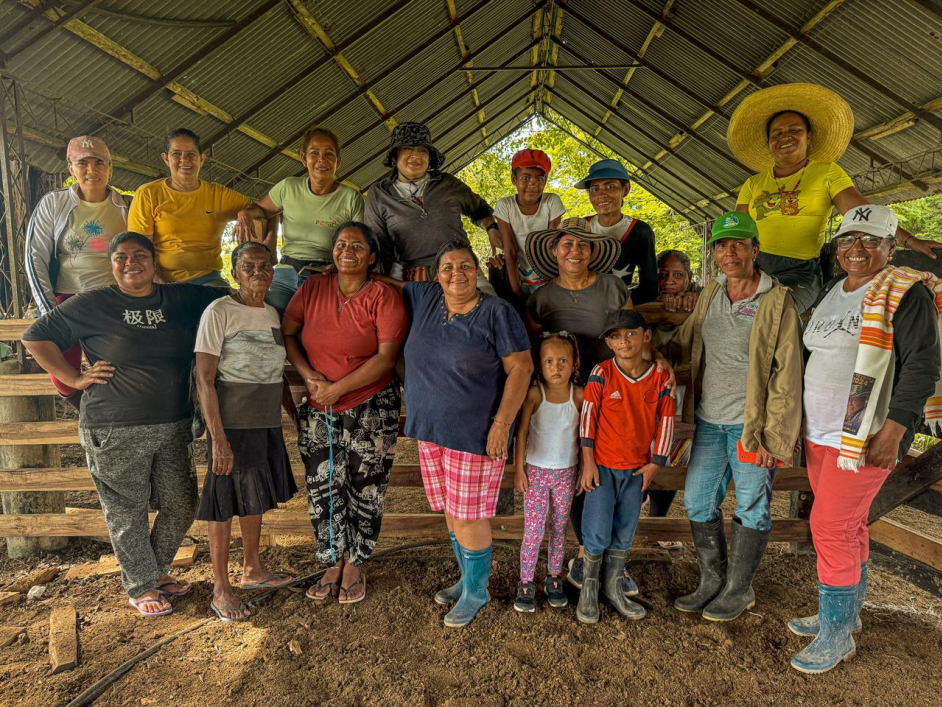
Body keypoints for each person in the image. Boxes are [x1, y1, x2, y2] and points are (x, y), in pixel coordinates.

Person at [21, 232, 229, 617]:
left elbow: (232, 296)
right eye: (120, 257)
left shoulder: (182, 299)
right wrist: (74, 377)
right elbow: (35, 336)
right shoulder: (92, 303)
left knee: (182, 504)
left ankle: (152, 573)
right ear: (111, 263)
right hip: (114, 426)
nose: (131, 263)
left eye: (140, 256)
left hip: (173, 423)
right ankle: (140, 585)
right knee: (126, 510)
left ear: (154, 262)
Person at [789, 205, 941, 674]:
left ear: (891, 246)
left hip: (864, 435)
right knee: (849, 527)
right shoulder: (836, 290)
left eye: (870, 240)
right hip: (821, 430)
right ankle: (844, 615)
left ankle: (835, 635)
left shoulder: (904, 291)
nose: (857, 249)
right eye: (848, 240)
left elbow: (921, 364)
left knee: (830, 528)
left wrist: (895, 428)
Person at [666, 211, 803, 621]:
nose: (729, 253)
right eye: (722, 246)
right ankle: (713, 581)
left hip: (751, 428)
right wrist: (638, 347)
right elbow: (685, 339)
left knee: (752, 506)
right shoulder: (711, 292)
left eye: (738, 244)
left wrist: (774, 438)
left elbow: (787, 373)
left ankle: (739, 589)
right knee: (695, 501)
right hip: (709, 421)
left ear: (755, 250)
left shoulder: (777, 301)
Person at [390, 240, 532, 627]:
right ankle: (466, 580)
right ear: (435, 275)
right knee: (452, 513)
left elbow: (521, 368)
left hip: (475, 432)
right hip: (431, 430)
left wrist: (502, 425)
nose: (457, 273)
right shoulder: (424, 298)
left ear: (478, 271)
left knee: (469, 516)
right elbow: (381, 282)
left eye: (466, 266)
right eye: (448, 267)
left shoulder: (496, 312)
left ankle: (477, 591)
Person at [728, 83, 940, 313]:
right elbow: (739, 234)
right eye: (776, 133)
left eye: (794, 130)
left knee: (773, 314)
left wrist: (909, 241)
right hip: (755, 267)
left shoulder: (827, 172)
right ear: (769, 143)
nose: (785, 137)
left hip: (800, 271)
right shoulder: (753, 184)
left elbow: (864, 215)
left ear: (809, 137)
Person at [282, 222, 406, 604]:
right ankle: (331, 560)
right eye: (340, 244)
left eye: (357, 245)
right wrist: (308, 375)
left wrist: (338, 388)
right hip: (319, 408)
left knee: (366, 485)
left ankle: (356, 563)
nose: (346, 250)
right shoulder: (313, 288)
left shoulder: (384, 296)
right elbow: (288, 333)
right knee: (324, 487)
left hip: (371, 405)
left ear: (372, 256)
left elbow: (386, 358)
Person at [523, 217, 638, 592]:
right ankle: (587, 559)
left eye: (583, 246)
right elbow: (531, 349)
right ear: (555, 251)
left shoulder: (612, 286)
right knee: (571, 471)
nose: (575, 252)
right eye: (567, 245)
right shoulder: (541, 298)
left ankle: (608, 562)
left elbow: (631, 328)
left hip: (609, 394)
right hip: (563, 399)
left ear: (593, 252)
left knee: (607, 472)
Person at [194, 241, 298, 622]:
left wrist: (294, 419)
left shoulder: (272, 313)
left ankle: (252, 568)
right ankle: (221, 588)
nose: (258, 273)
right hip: (232, 422)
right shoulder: (219, 312)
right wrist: (217, 437)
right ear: (234, 271)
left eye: (265, 266)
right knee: (223, 501)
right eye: (249, 266)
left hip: (264, 419)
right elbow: (204, 379)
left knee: (254, 494)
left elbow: (277, 373)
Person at [577, 309, 675, 624]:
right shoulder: (602, 373)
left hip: (637, 470)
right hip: (603, 467)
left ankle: (613, 586)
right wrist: (588, 462)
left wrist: (656, 464)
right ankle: (588, 589)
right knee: (596, 527)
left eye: (631, 333)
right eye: (616, 336)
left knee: (625, 529)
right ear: (608, 341)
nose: (625, 341)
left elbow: (667, 420)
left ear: (646, 336)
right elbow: (588, 417)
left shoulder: (660, 377)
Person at [25, 135, 129, 406]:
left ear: (110, 168)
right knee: (61, 372)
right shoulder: (54, 203)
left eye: (99, 163)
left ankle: (113, 419)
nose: (91, 171)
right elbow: (35, 255)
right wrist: (47, 309)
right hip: (67, 299)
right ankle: (86, 414)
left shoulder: (126, 206)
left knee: (117, 368)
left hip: (113, 298)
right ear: (71, 168)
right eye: (82, 163)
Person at [233, 125, 364, 313]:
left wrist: (338, 268)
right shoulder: (288, 187)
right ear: (304, 158)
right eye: (314, 153)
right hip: (287, 273)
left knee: (318, 328)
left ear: (338, 161)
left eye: (329, 154)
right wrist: (245, 212)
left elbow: (360, 243)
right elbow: (261, 208)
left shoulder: (351, 197)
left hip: (327, 274)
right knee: (272, 317)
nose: (321, 160)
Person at [363, 122, 501, 295]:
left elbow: (479, 209)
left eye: (422, 150)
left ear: (429, 158)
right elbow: (377, 244)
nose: (416, 155)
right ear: (394, 157)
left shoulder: (447, 183)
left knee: (492, 310)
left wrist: (492, 228)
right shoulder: (379, 194)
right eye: (408, 149)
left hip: (461, 265)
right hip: (411, 276)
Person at [128, 128, 271, 286]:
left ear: (202, 159)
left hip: (209, 279)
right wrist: (162, 287)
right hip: (163, 280)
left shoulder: (217, 193)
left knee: (232, 308)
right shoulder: (148, 194)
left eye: (191, 154)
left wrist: (246, 212)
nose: (184, 160)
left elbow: (263, 209)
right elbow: (140, 250)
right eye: (176, 154)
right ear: (166, 158)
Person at [513, 332, 583, 613]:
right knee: (533, 528)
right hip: (537, 472)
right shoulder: (534, 394)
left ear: (574, 363)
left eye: (563, 360)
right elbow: (521, 432)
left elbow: (586, 436)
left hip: (567, 473)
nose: (556, 367)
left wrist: (582, 469)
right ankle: (526, 581)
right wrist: (519, 469)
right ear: (540, 364)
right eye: (550, 361)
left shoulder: (579, 395)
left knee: (558, 527)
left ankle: (554, 578)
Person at [648, 248, 702, 549]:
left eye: (678, 275)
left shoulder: (700, 300)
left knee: (672, 455)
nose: (670, 281)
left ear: (690, 279)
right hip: (646, 396)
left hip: (681, 396)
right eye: (663, 275)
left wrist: (693, 300)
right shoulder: (641, 300)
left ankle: (659, 521)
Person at [576, 159, 658, 304]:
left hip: (620, 308)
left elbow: (649, 288)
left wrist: (619, 303)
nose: (602, 194)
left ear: (625, 190)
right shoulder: (581, 227)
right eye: (595, 189)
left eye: (610, 186)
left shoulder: (640, 232)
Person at [493, 149, 565, 298]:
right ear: (514, 179)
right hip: (518, 277)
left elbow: (552, 246)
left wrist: (553, 285)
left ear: (545, 181)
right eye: (525, 177)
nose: (532, 184)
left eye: (539, 179)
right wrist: (516, 290)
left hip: (549, 277)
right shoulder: (505, 205)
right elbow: (510, 250)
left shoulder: (552, 201)